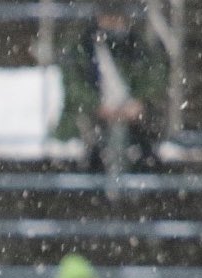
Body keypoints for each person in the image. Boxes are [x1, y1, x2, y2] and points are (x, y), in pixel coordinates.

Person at [54, 0, 168, 172]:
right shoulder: (82, 48)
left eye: (117, 18)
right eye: (109, 17)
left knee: (131, 143)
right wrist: (98, 106)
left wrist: (137, 104)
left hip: (132, 122)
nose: (114, 23)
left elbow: (154, 80)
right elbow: (73, 87)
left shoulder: (136, 47)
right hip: (89, 120)